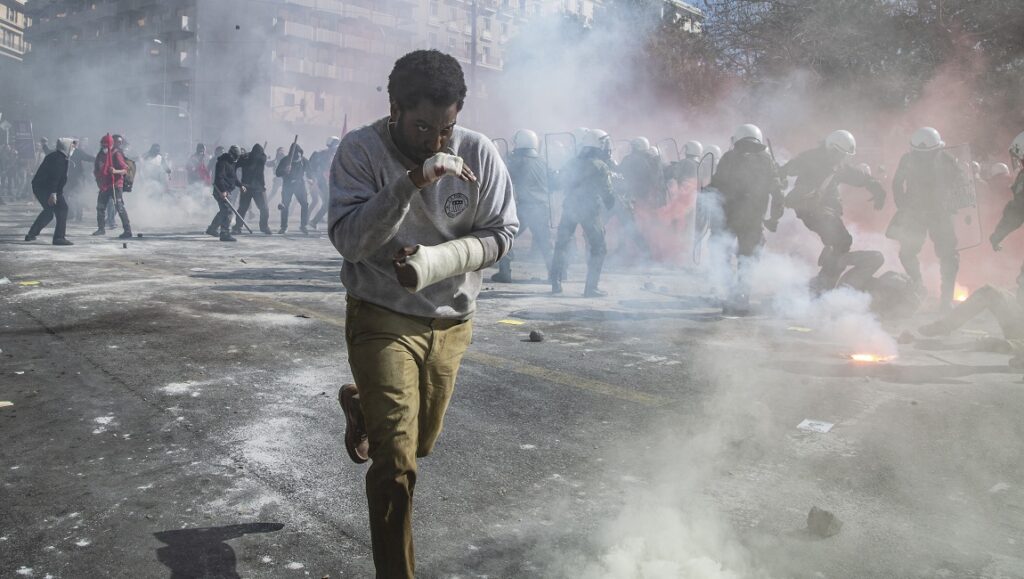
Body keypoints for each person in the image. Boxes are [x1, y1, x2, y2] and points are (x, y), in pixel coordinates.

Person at [328, 49, 517, 579]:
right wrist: (411, 181)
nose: (437, 141)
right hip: (382, 315)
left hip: (451, 320)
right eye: (422, 126)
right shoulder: (360, 151)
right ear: (394, 107)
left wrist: (441, 260)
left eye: (446, 127)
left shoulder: (478, 152)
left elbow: (503, 232)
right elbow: (350, 240)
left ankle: (363, 407)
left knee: (422, 440)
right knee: (396, 464)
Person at [780, 130, 887, 293]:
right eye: (840, 154)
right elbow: (789, 169)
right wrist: (779, 175)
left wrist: (875, 186)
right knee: (840, 241)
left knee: (842, 243)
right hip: (812, 210)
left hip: (825, 210)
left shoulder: (837, 165)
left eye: (844, 155)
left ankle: (825, 279)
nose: (842, 158)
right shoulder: (810, 158)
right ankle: (824, 279)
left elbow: (856, 175)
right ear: (831, 148)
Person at [706, 123, 785, 315]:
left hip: (728, 218)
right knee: (747, 260)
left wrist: (706, 194)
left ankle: (730, 293)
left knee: (722, 256)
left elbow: (716, 186)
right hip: (753, 221)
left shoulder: (729, 157)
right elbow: (778, 193)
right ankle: (742, 299)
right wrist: (774, 218)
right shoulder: (767, 161)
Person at [886, 127, 964, 309]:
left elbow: (897, 184)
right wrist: (904, 206)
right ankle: (935, 295)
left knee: (916, 253)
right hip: (926, 214)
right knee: (945, 255)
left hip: (929, 214)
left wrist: (903, 205)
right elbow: (961, 184)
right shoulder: (945, 159)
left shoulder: (914, 159)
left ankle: (931, 292)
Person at [550, 128, 615, 296]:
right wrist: (610, 203)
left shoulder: (572, 162)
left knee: (562, 244)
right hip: (590, 210)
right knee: (599, 247)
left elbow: (559, 182)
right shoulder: (601, 166)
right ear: (598, 145)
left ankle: (556, 283)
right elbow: (607, 191)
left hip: (570, 207)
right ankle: (591, 288)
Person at [491, 129, 552, 282]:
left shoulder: (518, 161)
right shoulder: (542, 162)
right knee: (545, 243)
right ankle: (555, 275)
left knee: (507, 236)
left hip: (525, 208)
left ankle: (505, 273)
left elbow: (503, 176)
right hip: (542, 208)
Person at [25, 137, 74, 246]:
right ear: (66, 147)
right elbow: (55, 177)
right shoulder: (59, 159)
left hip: (43, 187)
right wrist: (53, 193)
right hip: (45, 188)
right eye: (71, 146)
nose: (73, 148)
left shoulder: (59, 156)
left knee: (49, 211)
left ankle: (31, 234)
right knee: (62, 209)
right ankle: (59, 238)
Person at [93, 133, 133, 238]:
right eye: (103, 145)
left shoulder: (116, 154)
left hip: (115, 184)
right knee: (100, 207)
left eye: (106, 146)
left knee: (119, 207)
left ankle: (127, 230)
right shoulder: (100, 155)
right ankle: (101, 229)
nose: (104, 147)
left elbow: (125, 170)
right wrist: (98, 180)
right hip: (104, 185)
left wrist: (115, 171)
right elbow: (96, 169)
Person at [206, 145, 245, 242]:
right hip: (220, 190)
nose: (236, 158)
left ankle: (212, 229)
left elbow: (233, 177)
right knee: (228, 211)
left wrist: (240, 185)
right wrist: (223, 190)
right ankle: (224, 233)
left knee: (224, 211)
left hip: (226, 190)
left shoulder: (232, 163)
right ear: (231, 154)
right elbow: (219, 177)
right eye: (236, 155)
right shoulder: (222, 162)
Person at [233, 144, 272, 235]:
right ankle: (238, 227)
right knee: (242, 208)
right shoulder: (245, 158)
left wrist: (245, 158)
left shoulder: (262, 158)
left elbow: (262, 158)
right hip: (246, 187)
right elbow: (235, 166)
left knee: (264, 208)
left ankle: (264, 226)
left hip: (259, 188)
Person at [275, 142, 311, 234]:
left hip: (300, 185)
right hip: (288, 185)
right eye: (295, 154)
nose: (297, 156)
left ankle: (303, 226)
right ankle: (284, 227)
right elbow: (277, 173)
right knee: (284, 206)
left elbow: (310, 172)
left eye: (299, 154)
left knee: (305, 205)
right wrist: (285, 170)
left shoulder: (304, 160)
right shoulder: (285, 160)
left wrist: (310, 179)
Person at [308, 136, 341, 230]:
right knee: (325, 202)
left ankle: (314, 220)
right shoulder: (319, 154)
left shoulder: (333, 156)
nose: (336, 149)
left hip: (327, 183)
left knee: (328, 202)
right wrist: (312, 179)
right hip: (318, 182)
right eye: (335, 146)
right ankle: (313, 221)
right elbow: (310, 168)